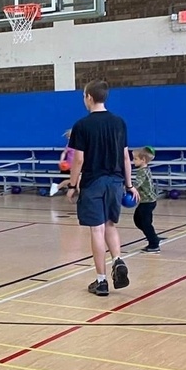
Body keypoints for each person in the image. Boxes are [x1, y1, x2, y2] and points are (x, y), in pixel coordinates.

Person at [66, 80, 138, 297]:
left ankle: (101, 280)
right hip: (115, 183)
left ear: (89, 97)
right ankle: (117, 259)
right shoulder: (119, 123)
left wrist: (71, 185)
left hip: (93, 182)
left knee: (96, 230)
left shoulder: (82, 125)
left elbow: (78, 159)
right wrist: (129, 185)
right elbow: (126, 156)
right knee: (110, 225)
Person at [131, 146, 161, 253]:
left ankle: (154, 244)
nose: (133, 161)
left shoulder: (142, 172)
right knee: (138, 220)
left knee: (145, 223)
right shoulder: (145, 169)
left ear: (143, 160)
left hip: (147, 202)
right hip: (146, 201)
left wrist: (127, 187)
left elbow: (136, 184)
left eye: (135, 159)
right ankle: (152, 236)